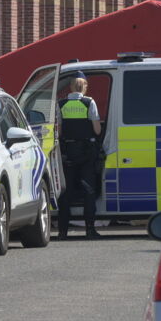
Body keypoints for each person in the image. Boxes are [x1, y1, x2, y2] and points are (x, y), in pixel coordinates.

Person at [55, 73, 103, 239]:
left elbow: (59, 132)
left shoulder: (61, 104)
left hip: (68, 153)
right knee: (89, 190)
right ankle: (90, 229)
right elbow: (97, 130)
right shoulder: (89, 102)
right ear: (84, 87)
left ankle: (62, 232)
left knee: (66, 193)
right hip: (86, 153)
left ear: (71, 87)